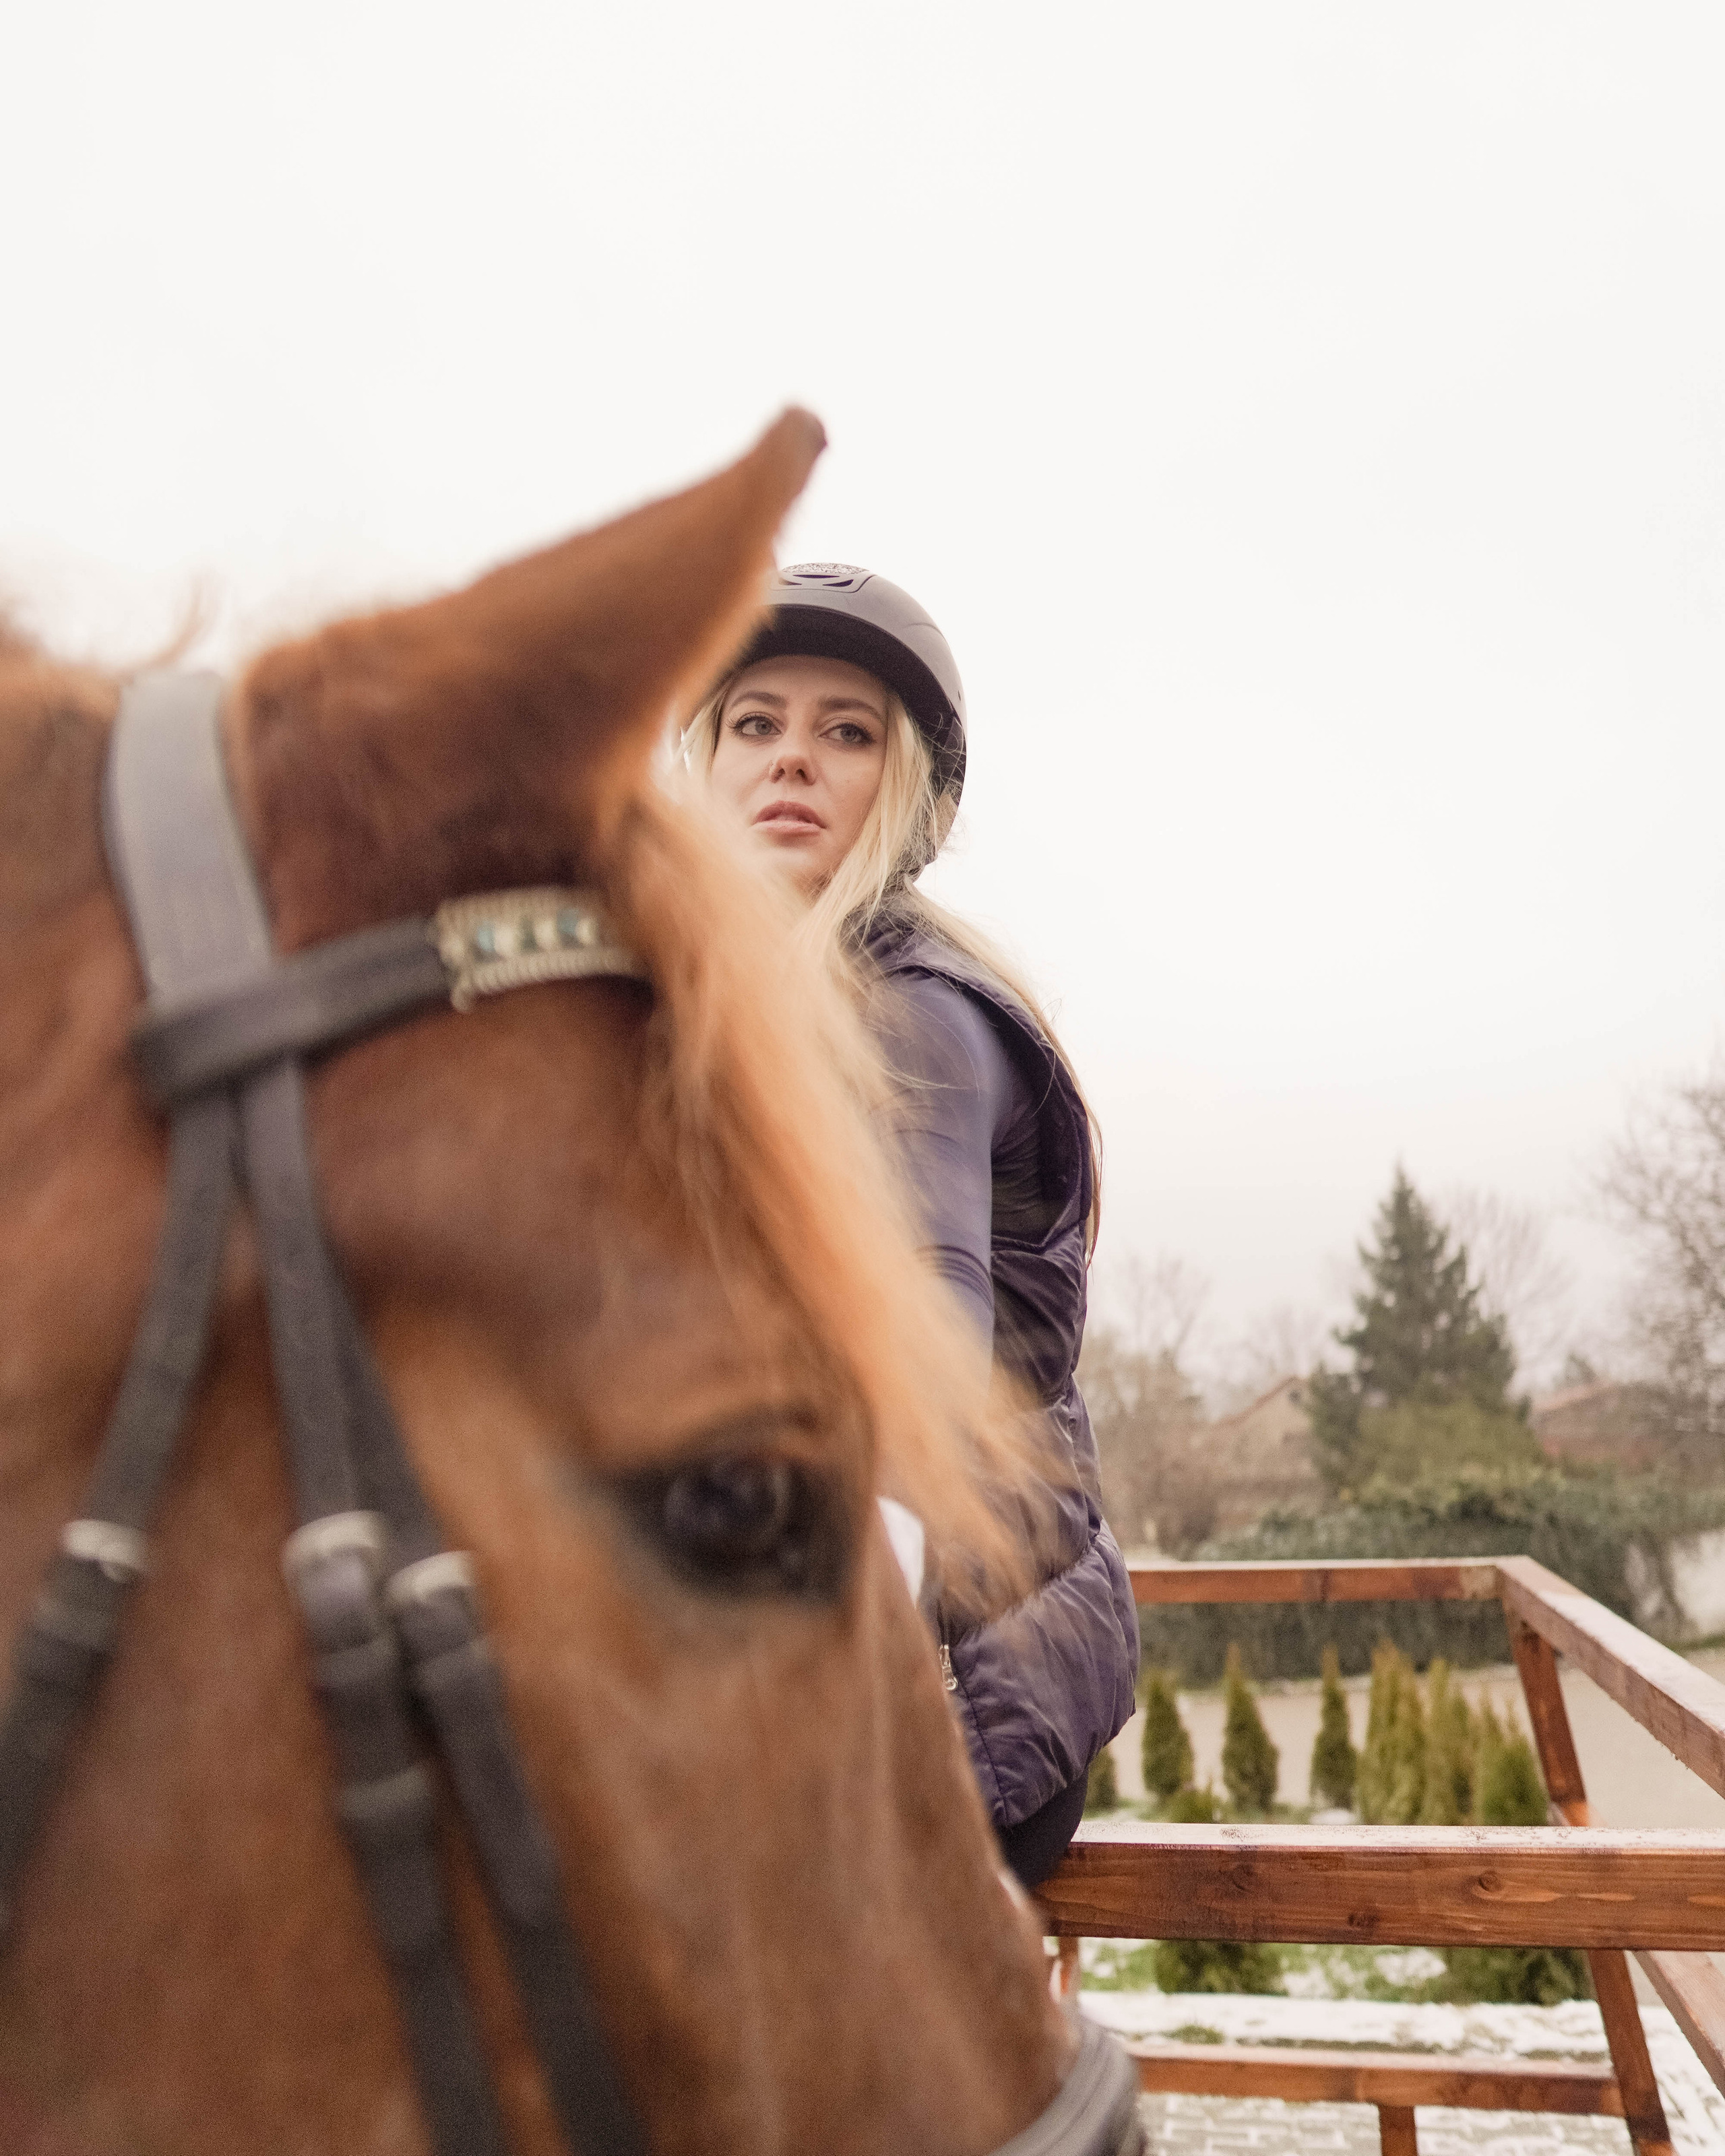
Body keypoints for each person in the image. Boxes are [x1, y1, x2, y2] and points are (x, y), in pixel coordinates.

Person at [688, 563, 1139, 1889]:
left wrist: (829, 1720)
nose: (791, 761)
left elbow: (915, 1392)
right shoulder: (705, 1016)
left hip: (951, 1698)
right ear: (701, 761)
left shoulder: (906, 1014)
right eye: (754, 722)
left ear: (907, 794)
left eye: (847, 731)